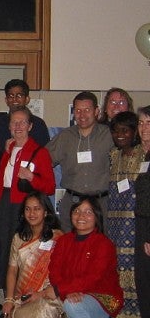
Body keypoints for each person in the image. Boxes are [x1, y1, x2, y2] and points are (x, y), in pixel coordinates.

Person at [48, 197, 123, 318]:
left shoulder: (104, 244)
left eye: (88, 212)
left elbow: (94, 277)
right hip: (72, 297)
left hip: (102, 297)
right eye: (77, 211)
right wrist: (66, 291)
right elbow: (54, 270)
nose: (81, 216)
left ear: (96, 217)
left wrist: (63, 291)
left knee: (72, 305)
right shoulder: (64, 241)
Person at [0, 106, 55, 291]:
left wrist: (31, 177)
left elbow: (50, 187)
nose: (18, 126)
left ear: (30, 126)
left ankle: (24, 294)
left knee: (24, 251)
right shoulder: (8, 148)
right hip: (4, 204)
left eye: (22, 122)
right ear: (9, 126)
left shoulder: (40, 152)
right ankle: (5, 295)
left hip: (25, 207)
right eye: (14, 122)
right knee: (3, 249)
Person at [1, 192, 64, 318]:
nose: (32, 213)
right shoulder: (18, 238)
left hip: (49, 294)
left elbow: (65, 272)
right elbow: (12, 269)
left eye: (37, 209)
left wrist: (42, 293)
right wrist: (8, 299)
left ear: (46, 212)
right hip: (24, 296)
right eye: (28, 209)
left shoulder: (58, 237)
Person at [46, 91, 114, 230]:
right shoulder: (65, 137)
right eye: (78, 110)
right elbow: (43, 160)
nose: (82, 115)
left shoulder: (109, 135)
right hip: (72, 203)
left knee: (101, 248)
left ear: (96, 111)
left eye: (87, 110)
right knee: (70, 247)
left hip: (102, 204)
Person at [107, 111, 145, 318]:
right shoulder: (113, 155)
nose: (120, 135)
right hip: (115, 223)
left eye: (125, 130)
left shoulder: (144, 155)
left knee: (135, 273)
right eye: (116, 131)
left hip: (135, 223)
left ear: (135, 132)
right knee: (117, 270)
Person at [0, 79, 50, 163]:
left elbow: (43, 155)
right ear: (6, 100)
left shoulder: (38, 124)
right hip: (3, 171)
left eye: (19, 95)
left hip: (30, 170)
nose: (15, 99)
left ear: (27, 99)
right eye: (11, 96)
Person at [132, 106, 150, 318]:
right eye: (142, 123)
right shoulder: (142, 155)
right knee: (143, 282)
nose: (145, 129)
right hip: (141, 223)